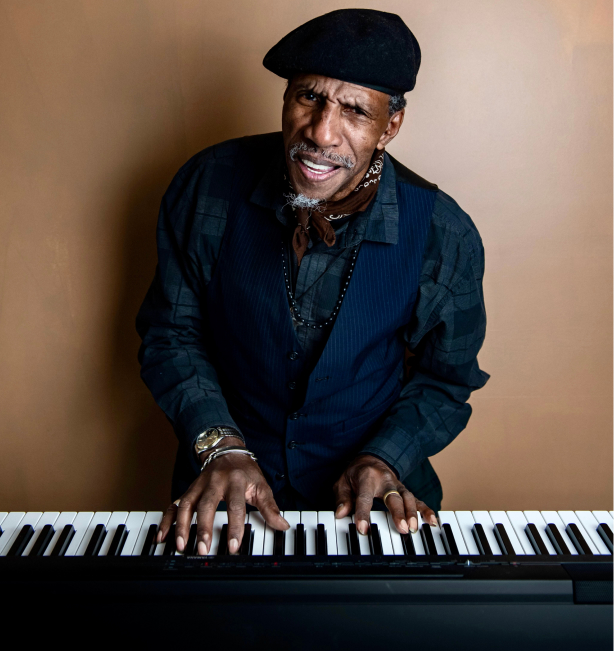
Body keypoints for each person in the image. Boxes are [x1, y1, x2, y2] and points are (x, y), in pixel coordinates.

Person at [136, 8, 489, 556]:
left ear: (389, 126)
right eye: (308, 97)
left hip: (374, 509)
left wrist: (386, 457)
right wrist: (218, 445)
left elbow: (447, 380)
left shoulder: (444, 232)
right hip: (222, 496)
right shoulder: (206, 187)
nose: (322, 132)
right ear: (285, 98)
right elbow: (171, 334)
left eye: (354, 110)